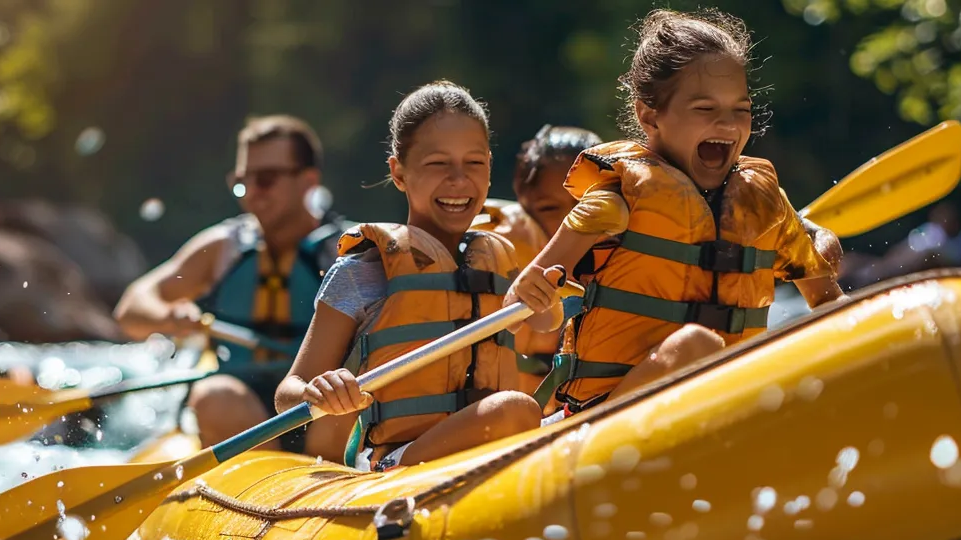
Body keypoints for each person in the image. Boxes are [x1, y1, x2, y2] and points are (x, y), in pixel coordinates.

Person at [503, 8, 847, 417]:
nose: (729, 124)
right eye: (705, 109)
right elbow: (527, 316)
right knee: (696, 346)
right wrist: (537, 298)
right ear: (649, 115)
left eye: (741, 109)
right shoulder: (615, 201)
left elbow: (829, 304)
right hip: (609, 414)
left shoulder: (763, 201)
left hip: (727, 400)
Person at [276, 81, 545, 471]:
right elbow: (288, 393)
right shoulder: (362, 272)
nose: (458, 180)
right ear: (398, 173)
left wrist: (546, 300)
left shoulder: (502, 261)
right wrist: (318, 391)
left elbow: (549, 323)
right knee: (514, 409)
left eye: (474, 163)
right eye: (438, 164)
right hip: (399, 464)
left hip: (490, 448)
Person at [114, 115, 345, 452]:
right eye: (242, 181)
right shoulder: (224, 247)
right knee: (214, 396)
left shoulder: (348, 249)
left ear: (308, 181)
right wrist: (170, 316)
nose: (251, 193)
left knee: (346, 407)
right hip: (242, 409)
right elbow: (132, 308)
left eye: (265, 180)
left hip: (322, 407)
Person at [471, 125, 604, 401]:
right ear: (524, 205)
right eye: (550, 208)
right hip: (511, 410)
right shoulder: (496, 254)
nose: (572, 221)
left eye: (585, 206)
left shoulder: (630, 259)